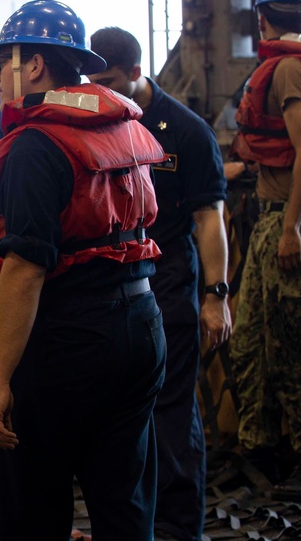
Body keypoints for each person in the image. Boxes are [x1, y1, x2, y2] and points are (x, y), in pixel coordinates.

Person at [0, 0, 167, 539]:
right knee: (123, 502)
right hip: (142, 326)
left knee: (27, 506)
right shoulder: (116, 128)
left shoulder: (37, 144)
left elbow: (26, 268)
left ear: (35, 66)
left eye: (3, 60)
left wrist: (1, 378)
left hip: (67, 339)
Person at [89, 27, 232, 540]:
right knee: (121, 422)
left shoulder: (187, 132)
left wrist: (215, 297)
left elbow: (208, 219)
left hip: (170, 290)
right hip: (112, 294)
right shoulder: (94, 123)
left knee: (171, 417)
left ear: (135, 72)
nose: (99, 89)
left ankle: (177, 528)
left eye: (108, 80)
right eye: (92, 80)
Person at [230, 0, 301, 501]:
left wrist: (291, 226)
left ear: (263, 18)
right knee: (253, 345)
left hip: (298, 223)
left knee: (298, 347)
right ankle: (259, 453)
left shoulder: (290, 69)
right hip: (278, 217)